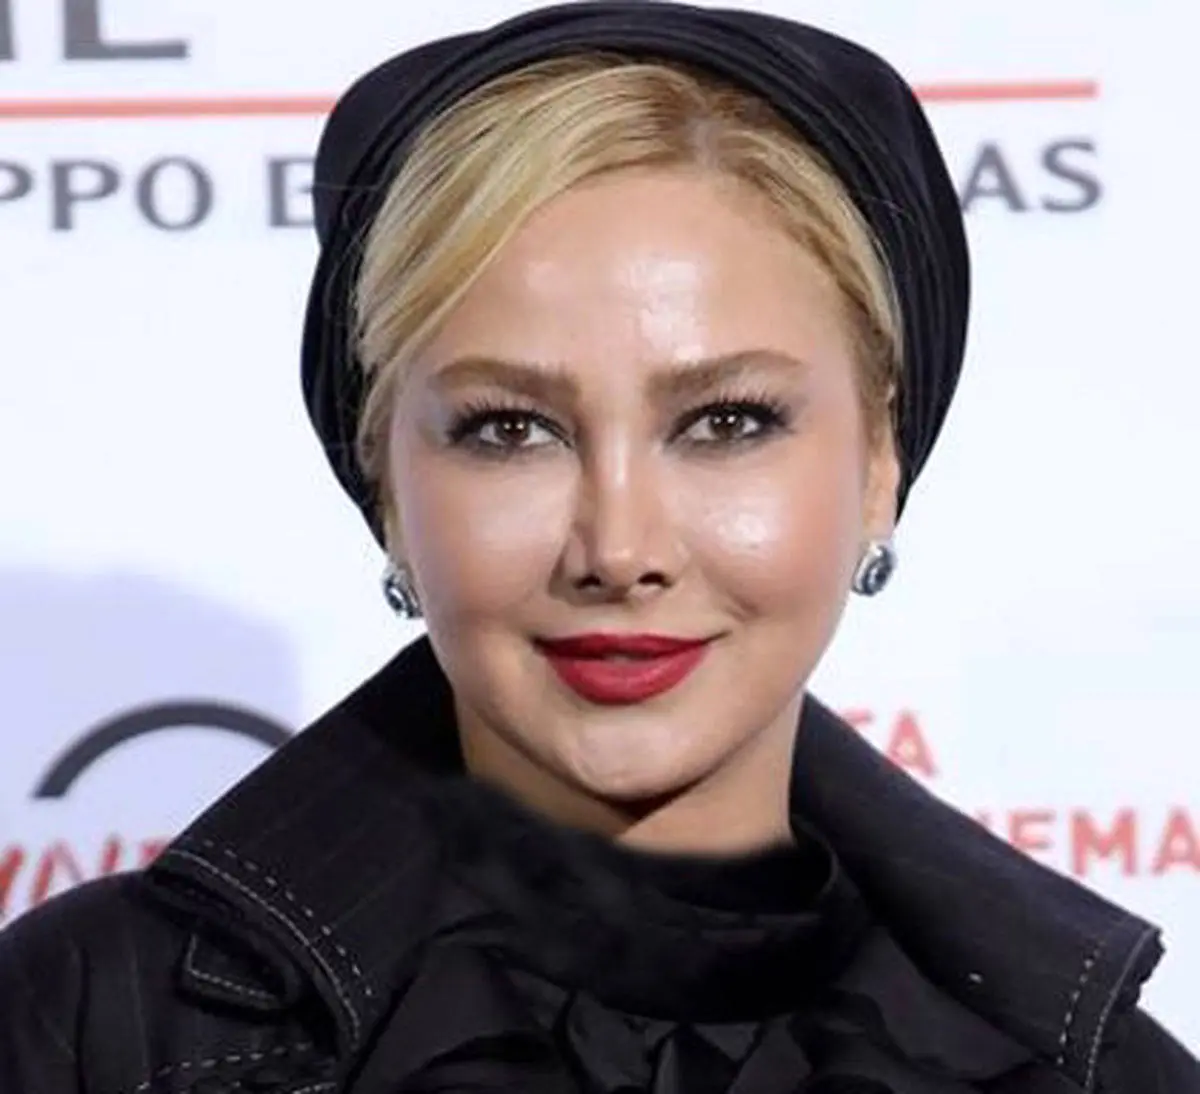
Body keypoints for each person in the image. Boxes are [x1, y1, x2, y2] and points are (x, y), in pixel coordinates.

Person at [1, 3, 1195, 1092]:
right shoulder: (93, 1028)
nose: (619, 548)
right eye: (509, 429)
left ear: (879, 460)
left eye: (727, 422)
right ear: (386, 484)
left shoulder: (1100, 1073)